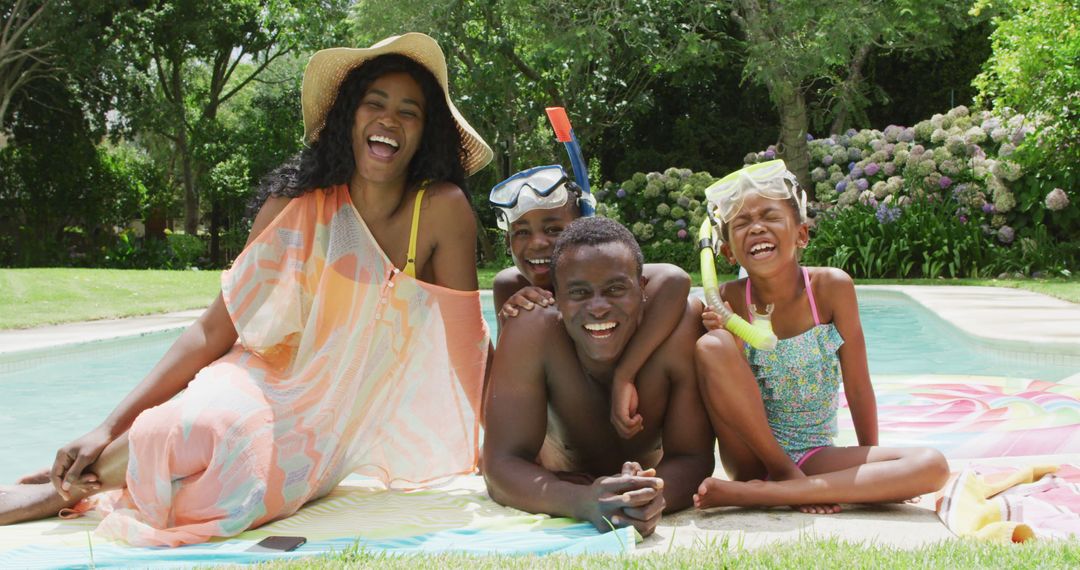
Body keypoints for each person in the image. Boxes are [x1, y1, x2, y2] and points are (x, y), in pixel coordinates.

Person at [0, 33, 494, 545]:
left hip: (326, 425)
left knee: (221, 499)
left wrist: (506, 452)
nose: (389, 119)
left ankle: (86, 483)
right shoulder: (295, 205)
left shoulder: (440, 209)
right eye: (375, 103)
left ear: (425, 132)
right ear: (350, 116)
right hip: (256, 379)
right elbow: (215, 327)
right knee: (205, 427)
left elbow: (468, 344)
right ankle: (61, 489)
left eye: (408, 111)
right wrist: (105, 426)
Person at [688, 160, 948, 512]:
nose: (757, 228)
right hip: (749, 455)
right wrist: (729, 336)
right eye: (743, 223)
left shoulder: (831, 288)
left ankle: (758, 495)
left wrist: (868, 462)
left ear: (801, 235)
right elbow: (723, 384)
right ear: (728, 251)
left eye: (770, 217)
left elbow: (858, 386)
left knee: (932, 465)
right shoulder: (727, 300)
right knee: (712, 344)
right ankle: (785, 479)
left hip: (813, 454)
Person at [482, 216, 715, 538]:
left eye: (616, 289)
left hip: (650, 474)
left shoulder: (679, 330)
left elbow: (693, 457)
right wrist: (581, 501)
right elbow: (500, 466)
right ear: (556, 297)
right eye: (578, 293)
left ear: (643, 289)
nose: (599, 307)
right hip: (563, 475)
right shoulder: (532, 330)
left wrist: (653, 496)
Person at [488, 165, 690, 436]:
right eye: (522, 232)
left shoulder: (614, 273)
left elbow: (675, 279)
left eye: (553, 229)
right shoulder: (510, 286)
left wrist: (625, 375)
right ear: (507, 240)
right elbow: (512, 386)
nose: (537, 243)